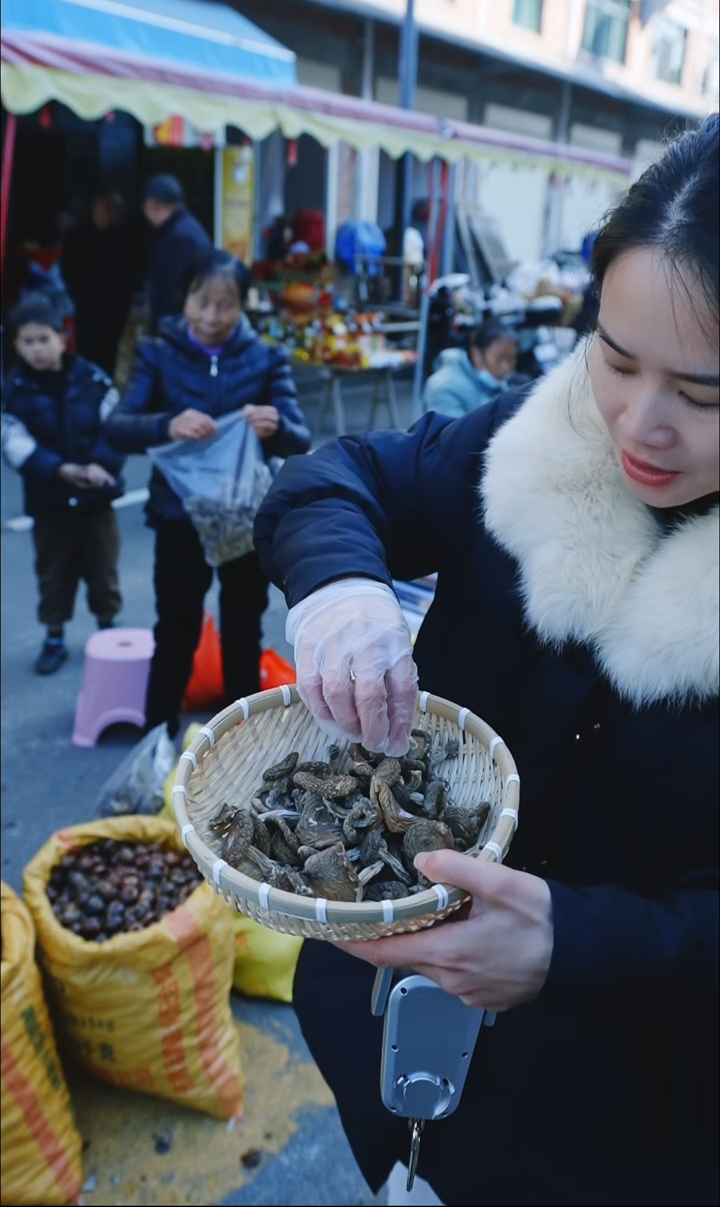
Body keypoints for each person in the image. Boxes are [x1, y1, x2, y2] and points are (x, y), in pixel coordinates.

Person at [254, 114, 719, 1206]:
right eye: (616, 358)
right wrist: (342, 589)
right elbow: (337, 479)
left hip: (620, 1118)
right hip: (381, 1022)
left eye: (704, 395)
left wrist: (576, 942)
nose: (639, 426)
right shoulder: (528, 439)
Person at [105, 249, 311, 743]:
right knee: (175, 628)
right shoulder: (158, 353)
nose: (212, 316)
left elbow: (298, 436)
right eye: (202, 302)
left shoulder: (265, 358)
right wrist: (167, 423)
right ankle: (157, 738)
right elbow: (117, 427)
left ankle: (239, 742)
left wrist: (276, 425)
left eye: (226, 304)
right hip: (180, 518)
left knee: (242, 629)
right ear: (185, 300)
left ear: (242, 304)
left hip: (243, 519)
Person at [1, 299, 125, 675]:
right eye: (28, 341)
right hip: (49, 502)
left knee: (103, 570)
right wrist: (59, 470)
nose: (37, 349)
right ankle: (54, 636)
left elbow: (116, 425)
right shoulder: (13, 391)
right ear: (16, 345)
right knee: (53, 574)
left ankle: (109, 631)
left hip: (96, 499)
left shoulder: (93, 379)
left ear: (62, 337)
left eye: (44, 339)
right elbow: (13, 440)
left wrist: (102, 466)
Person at [61, 189, 137, 378]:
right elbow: (68, 270)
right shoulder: (77, 234)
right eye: (107, 206)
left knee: (109, 354)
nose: (111, 211)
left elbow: (130, 273)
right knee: (87, 353)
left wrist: (124, 301)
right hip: (87, 308)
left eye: (115, 207)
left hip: (114, 310)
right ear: (95, 207)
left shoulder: (122, 237)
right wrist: (80, 296)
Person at [141, 174, 211, 332]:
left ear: (153, 206)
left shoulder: (181, 238)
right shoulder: (181, 229)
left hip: (179, 331)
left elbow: (174, 295)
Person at [421, 320, 521, 418]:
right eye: (499, 358)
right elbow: (454, 429)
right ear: (476, 354)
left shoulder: (502, 385)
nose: (506, 366)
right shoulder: (443, 388)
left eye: (511, 358)